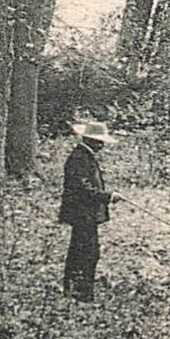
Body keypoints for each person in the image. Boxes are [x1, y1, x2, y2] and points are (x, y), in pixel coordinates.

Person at [59, 119, 118, 301]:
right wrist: (107, 197)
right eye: (100, 141)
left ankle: (77, 290)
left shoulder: (85, 156)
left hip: (86, 214)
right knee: (86, 252)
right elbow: (83, 189)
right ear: (90, 140)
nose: (102, 145)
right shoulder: (79, 158)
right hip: (81, 213)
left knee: (85, 251)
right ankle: (80, 294)